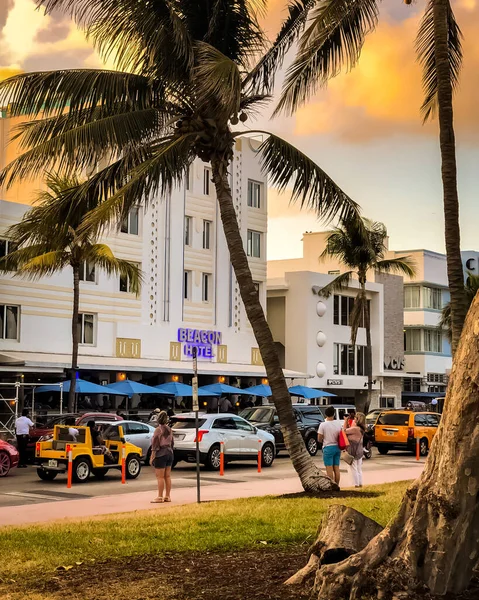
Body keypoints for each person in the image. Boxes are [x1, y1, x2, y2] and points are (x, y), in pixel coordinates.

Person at [150, 411, 174, 503]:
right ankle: (167, 496)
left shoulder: (158, 430)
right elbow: (172, 442)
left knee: (160, 477)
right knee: (167, 476)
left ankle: (159, 496)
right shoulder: (170, 429)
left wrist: (152, 457)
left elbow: (155, 444)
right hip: (169, 453)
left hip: (161, 453)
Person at [317, 406, 343, 486]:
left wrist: (322, 440)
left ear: (325, 414)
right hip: (337, 447)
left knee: (329, 469)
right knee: (336, 468)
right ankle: (337, 484)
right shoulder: (338, 424)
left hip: (328, 447)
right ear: (334, 414)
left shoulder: (323, 425)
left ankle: (331, 486)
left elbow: (319, 438)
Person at [343, 412, 366, 488]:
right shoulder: (361, 429)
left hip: (353, 450)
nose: (353, 419)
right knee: (359, 468)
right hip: (359, 450)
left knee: (353, 468)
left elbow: (344, 431)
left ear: (357, 419)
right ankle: (360, 483)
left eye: (355, 418)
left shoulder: (355, 429)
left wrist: (345, 421)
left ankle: (355, 484)